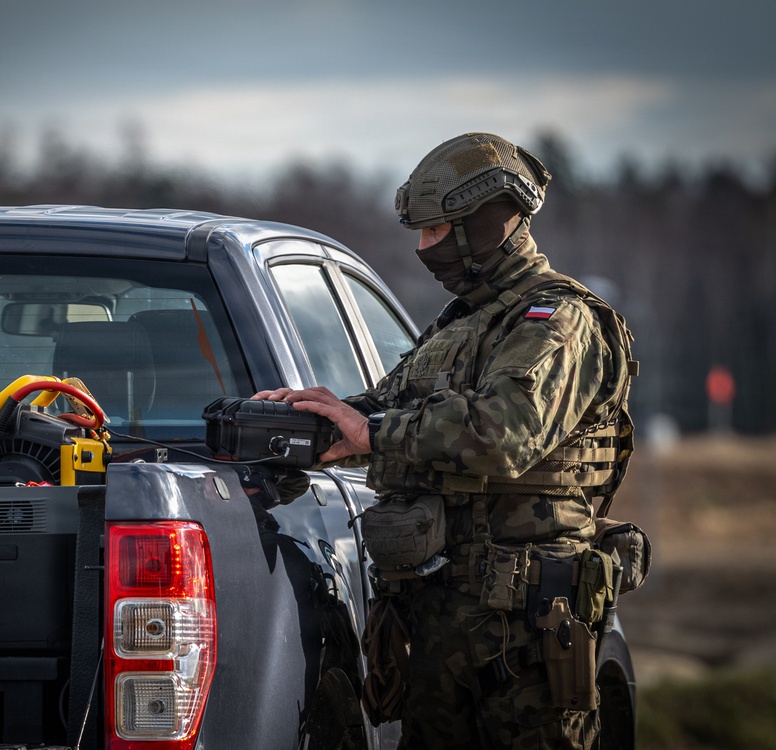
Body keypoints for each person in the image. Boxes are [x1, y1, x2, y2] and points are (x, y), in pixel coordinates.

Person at [254, 132, 637, 749]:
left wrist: (372, 433)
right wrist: (319, 415)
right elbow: (386, 407)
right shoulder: (458, 326)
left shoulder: (559, 321)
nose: (424, 249)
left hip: (526, 634)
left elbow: (504, 431)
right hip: (439, 622)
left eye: (437, 231)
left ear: (487, 226)